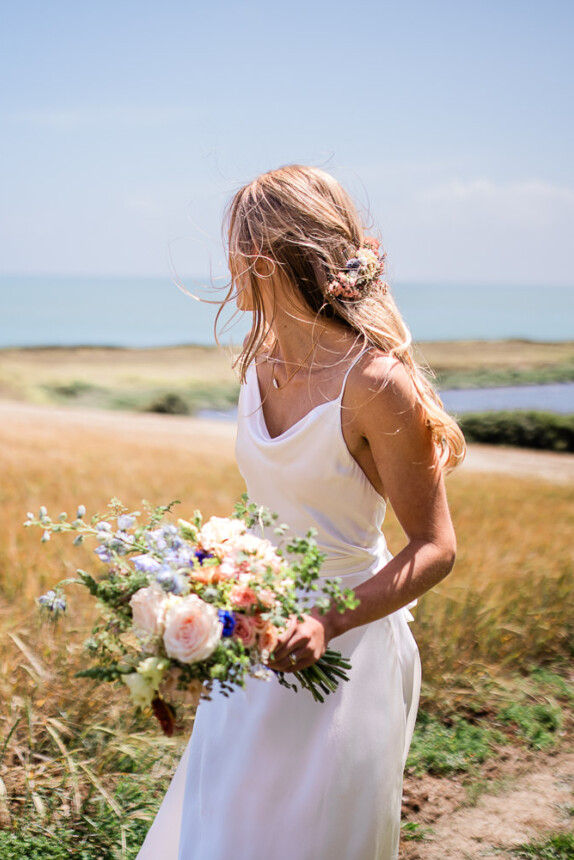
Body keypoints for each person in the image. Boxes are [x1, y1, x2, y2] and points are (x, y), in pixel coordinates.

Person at [136, 165, 464, 859]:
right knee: (218, 835)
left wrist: (325, 620)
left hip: (345, 658)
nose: (229, 267)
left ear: (278, 260)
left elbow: (435, 547)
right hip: (256, 648)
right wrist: (204, 604)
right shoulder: (258, 363)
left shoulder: (376, 385)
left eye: (240, 248)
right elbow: (274, 510)